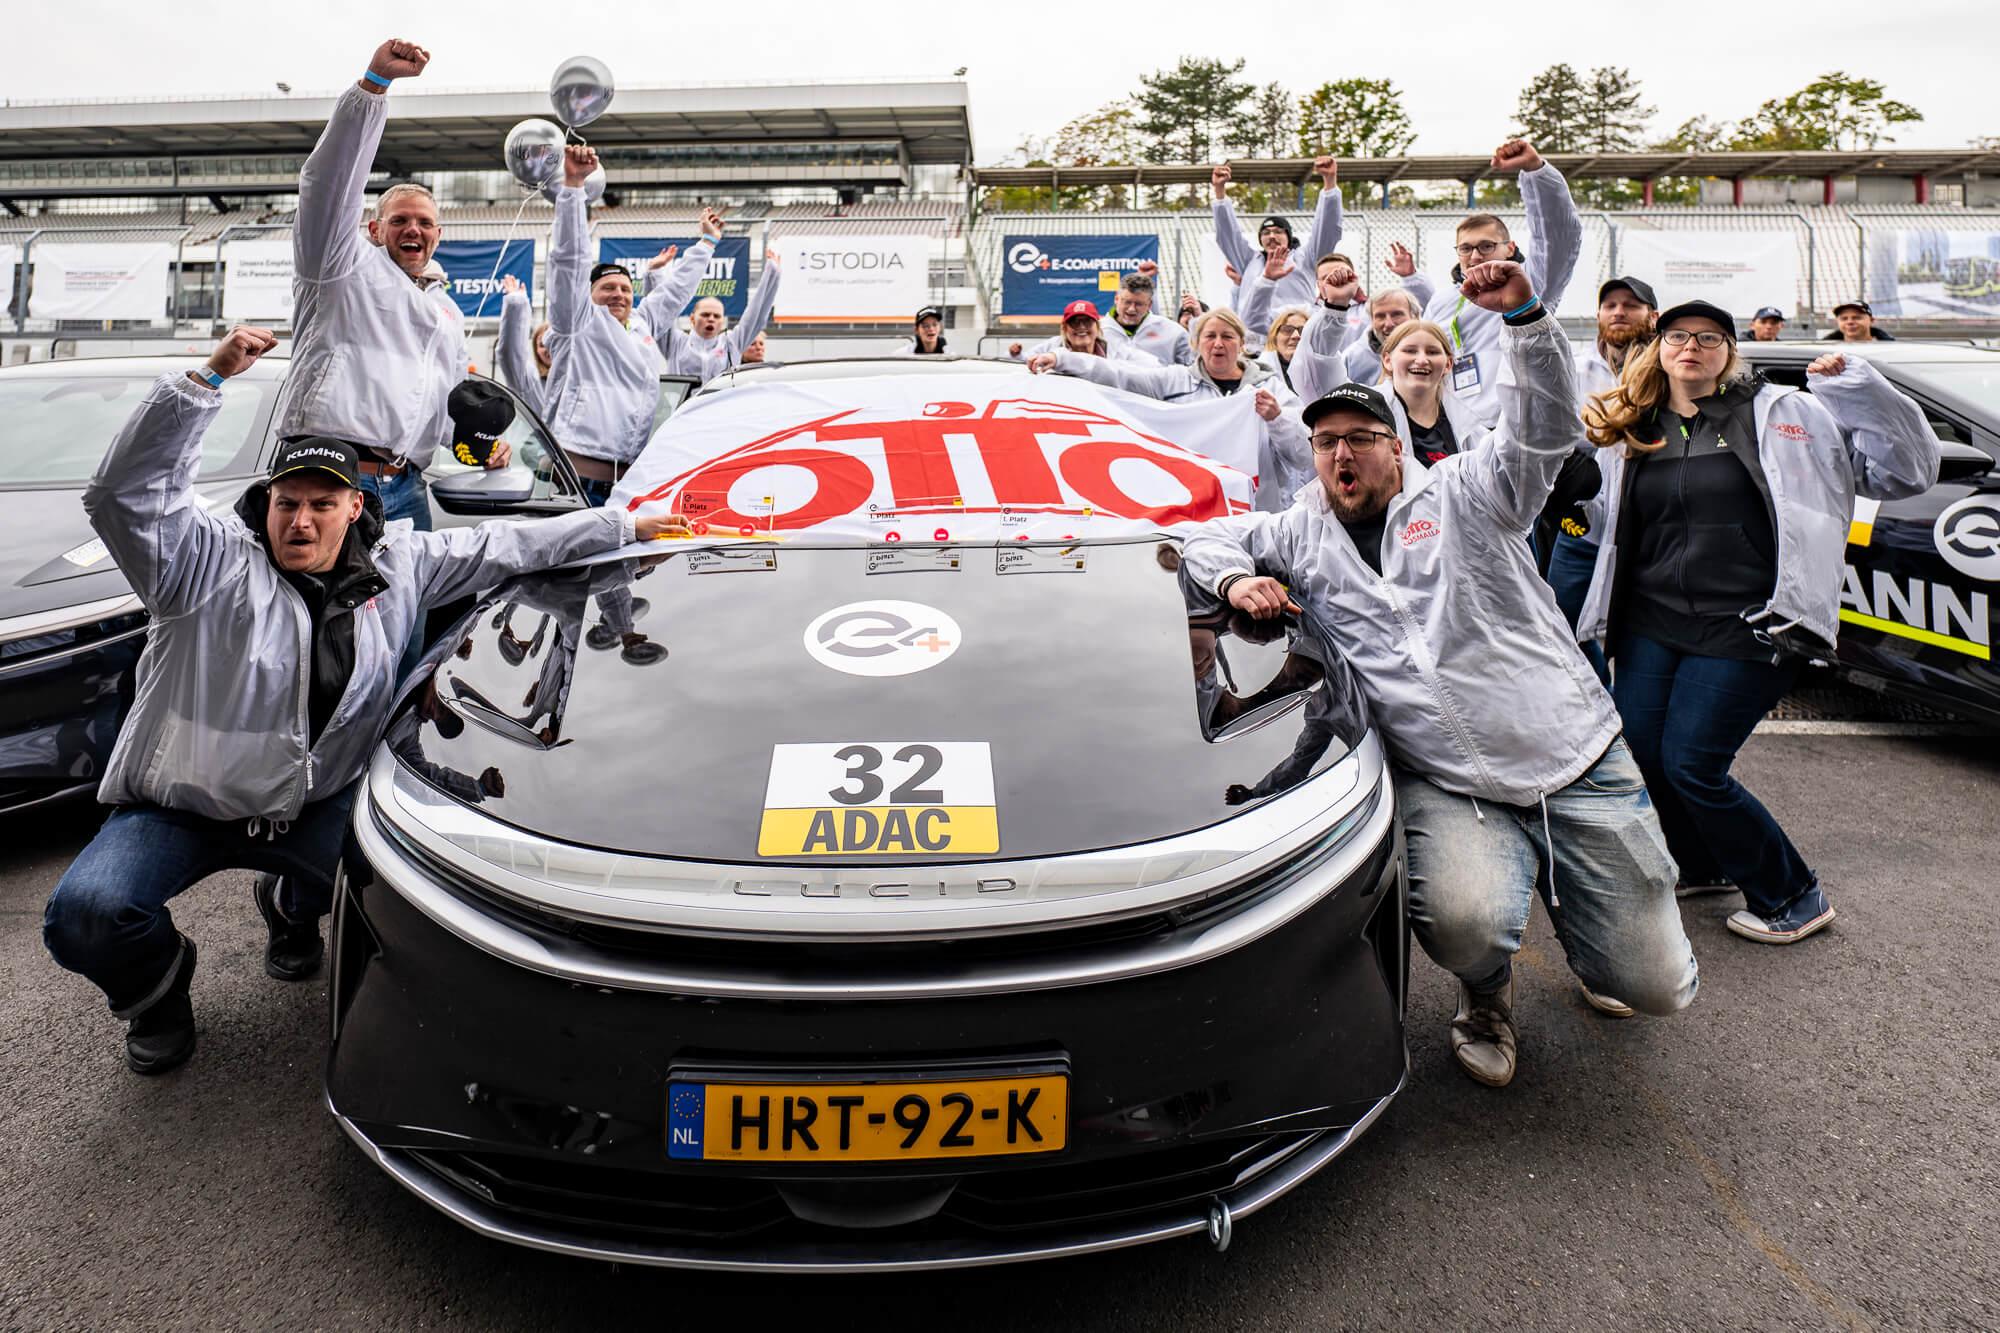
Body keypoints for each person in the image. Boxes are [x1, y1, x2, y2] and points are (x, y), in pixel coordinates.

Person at [43, 327, 691, 1075]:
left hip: (313, 803)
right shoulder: (200, 564)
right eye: (287, 502)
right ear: (266, 502)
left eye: (322, 503)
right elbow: (123, 495)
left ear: (355, 506)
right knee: (86, 914)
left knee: (409, 901)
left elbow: (506, 546)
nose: (301, 521)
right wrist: (202, 383)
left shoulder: (399, 565)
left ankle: (291, 907)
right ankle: (156, 991)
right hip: (180, 806)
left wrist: (623, 523)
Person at [1182, 260, 1699, 1088]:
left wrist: (1526, 320)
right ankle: (1486, 988)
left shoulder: (1469, 492)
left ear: (1397, 445)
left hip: (1572, 758)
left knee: (1655, 985)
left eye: (1360, 438)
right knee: (1463, 922)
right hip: (1449, 779)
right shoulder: (1299, 534)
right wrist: (1236, 578)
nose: (1342, 453)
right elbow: (1207, 539)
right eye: (1326, 441)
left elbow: (1540, 429)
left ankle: (1591, 926)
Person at [1578, 300, 1937, 944]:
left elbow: (1905, 472)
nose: (1692, 347)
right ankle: (1704, 863)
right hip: (1650, 621)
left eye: (1710, 337)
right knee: (1647, 757)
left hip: (1748, 621)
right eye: (1679, 336)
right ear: (1659, 348)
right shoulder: (1635, 425)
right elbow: (1604, 522)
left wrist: (1860, 390)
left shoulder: (1785, 415)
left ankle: (1794, 894)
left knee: (1693, 764)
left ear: (1730, 351)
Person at [281, 38, 511, 535]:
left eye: (425, 223)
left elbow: (445, 407)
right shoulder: (340, 266)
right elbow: (327, 184)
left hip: (407, 487)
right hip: (332, 479)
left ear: (438, 235)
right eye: (400, 220)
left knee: (412, 593)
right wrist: (373, 88)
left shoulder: (447, 312)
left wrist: (481, 447)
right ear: (373, 229)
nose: (413, 230)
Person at [544, 146, 719, 505]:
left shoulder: (641, 323)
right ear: (587, 294)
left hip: (627, 482)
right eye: (608, 287)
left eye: (625, 288)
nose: (619, 294)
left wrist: (707, 243)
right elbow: (569, 262)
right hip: (577, 481)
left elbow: (675, 292)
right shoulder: (579, 321)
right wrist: (573, 188)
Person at [1029, 306, 1311, 512]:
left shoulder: (1269, 389)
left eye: (1227, 336)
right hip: (1193, 510)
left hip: (1255, 511)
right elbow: (1119, 374)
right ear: (1196, 343)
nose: (1218, 344)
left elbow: (1302, 455)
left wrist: (1277, 419)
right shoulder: (1174, 381)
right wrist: (1062, 359)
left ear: (1242, 344)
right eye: (1210, 336)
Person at [1420, 139, 1582, 429]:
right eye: (1465, 248)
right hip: (1456, 431)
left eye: (1486, 246)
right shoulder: (1443, 300)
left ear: (1510, 248)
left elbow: (1557, 238)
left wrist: (1535, 172)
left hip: (1518, 428)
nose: (1475, 256)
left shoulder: (1531, 284)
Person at [1548, 276, 1659, 685]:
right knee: (1559, 622)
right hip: (1584, 524)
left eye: (1630, 305)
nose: (1619, 312)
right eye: (1610, 305)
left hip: (1650, 530)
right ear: (1598, 315)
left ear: (1653, 316)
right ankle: (1601, 700)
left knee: (1640, 632)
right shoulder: (1576, 369)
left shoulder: (1667, 368)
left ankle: (1633, 709)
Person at [1210, 156, 1342, 332]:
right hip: (1257, 336)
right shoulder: (1249, 261)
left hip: (1297, 334)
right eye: (1266, 233)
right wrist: (1219, 191)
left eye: (1278, 231)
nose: (1271, 236)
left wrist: (1330, 183)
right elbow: (1228, 235)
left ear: (1289, 237)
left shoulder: (1305, 258)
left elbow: (1326, 230)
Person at [666, 237, 783, 381]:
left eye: (716, 316)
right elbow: (661, 311)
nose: (711, 319)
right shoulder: (677, 342)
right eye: (705, 315)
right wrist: (653, 275)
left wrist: (772, 274)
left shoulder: (731, 343)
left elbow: (755, 316)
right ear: (692, 318)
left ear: (722, 321)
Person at [1105, 262, 1193, 366]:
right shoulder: (1099, 330)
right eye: (1127, 302)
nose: (1132, 309)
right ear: (1116, 299)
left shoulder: (1173, 331)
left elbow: (1192, 367)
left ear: (1149, 304)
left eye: (1139, 304)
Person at [1012, 300, 1149, 362]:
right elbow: (1024, 360)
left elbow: (1143, 365)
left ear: (1097, 326)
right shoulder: (1053, 346)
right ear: (1065, 327)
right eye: (1074, 322)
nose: (1081, 327)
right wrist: (1016, 354)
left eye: (1087, 321)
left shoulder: (1114, 349)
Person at [495, 274, 552, 417]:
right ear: (536, 350)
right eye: (541, 344)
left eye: (552, 342)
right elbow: (509, 353)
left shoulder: (578, 377)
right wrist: (516, 306)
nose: (547, 349)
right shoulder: (529, 380)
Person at [1258, 304, 1310, 393]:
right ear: (1274, 336)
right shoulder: (1260, 372)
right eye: (1287, 330)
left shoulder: (1322, 369)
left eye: (1303, 330)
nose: (1296, 336)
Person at [1826, 300, 1895, 342]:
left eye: (1857, 318)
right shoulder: (1827, 349)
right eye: (1844, 318)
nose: (1849, 322)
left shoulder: (1890, 347)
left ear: (1871, 320)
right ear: (1837, 322)